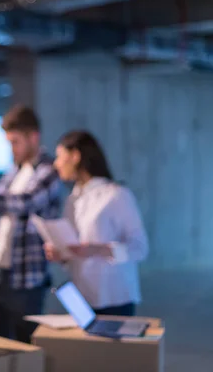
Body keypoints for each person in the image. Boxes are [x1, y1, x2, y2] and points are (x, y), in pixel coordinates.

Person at [0, 105, 63, 343]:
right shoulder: (15, 170)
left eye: (15, 142)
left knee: (25, 346)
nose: (11, 149)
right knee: (2, 344)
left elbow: (26, 202)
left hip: (28, 279)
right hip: (3, 272)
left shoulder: (49, 171)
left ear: (33, 137)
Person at [46, 130, 148, 316]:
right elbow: (75, 251)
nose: (56, 164)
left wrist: (98, 250)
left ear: (75, 156)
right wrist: (61, 255)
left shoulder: (116, 195)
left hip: (113, 297)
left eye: (60, 157)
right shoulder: (73, 199)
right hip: (81, 298)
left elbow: (140, 248)